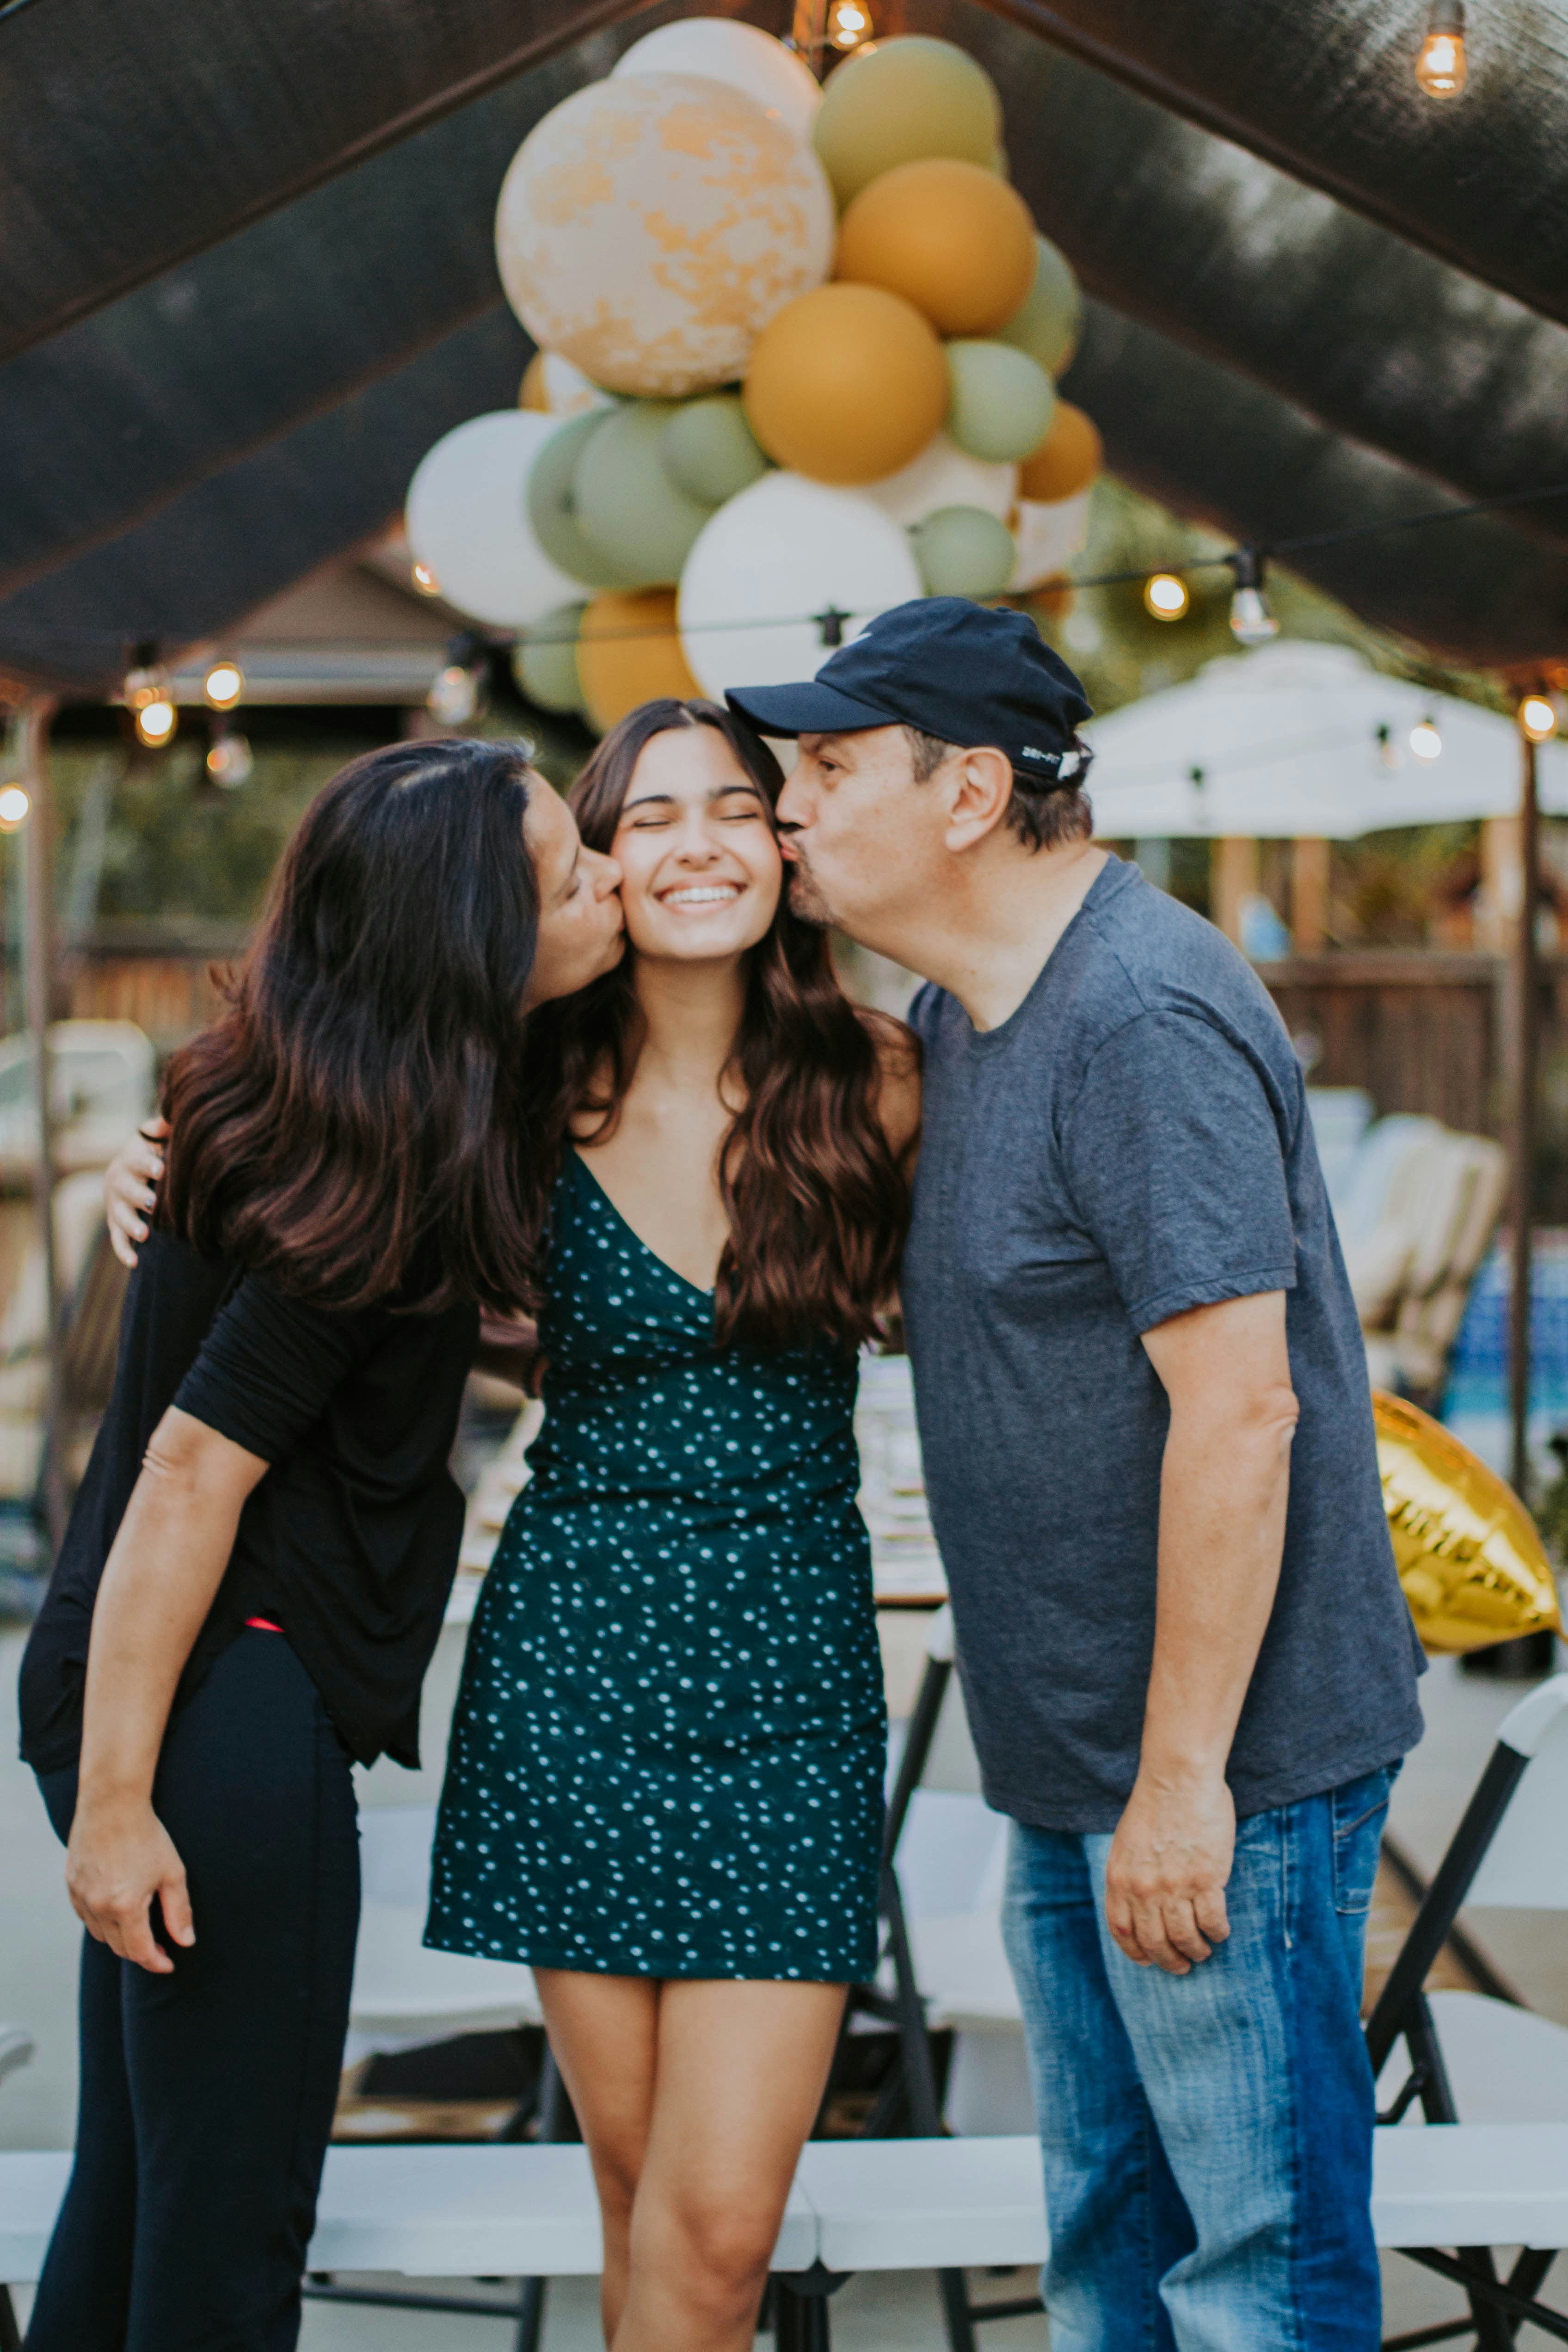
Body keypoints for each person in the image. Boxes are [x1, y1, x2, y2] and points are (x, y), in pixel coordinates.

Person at [728, 599, 1425, 2352]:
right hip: (1076, 1760)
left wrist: (1181, 1780)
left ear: (968, 793)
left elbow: (1241, 1416)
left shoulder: (1134, 1015)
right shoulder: (969, 1014)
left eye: (826, 768)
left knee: (1256, 2279)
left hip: (1218, 1778)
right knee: (1114, 2253)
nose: (785, 805)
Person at [22, 736, 623, 2352]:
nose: (613, 881)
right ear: (478, 944)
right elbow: (192, 1475)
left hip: (157, 1685)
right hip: (225, 1714)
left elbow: (394, 1341)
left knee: (138, 2196)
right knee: (227, 2241)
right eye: (572, 877)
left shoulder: (297, 1090)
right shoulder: (375, 1168)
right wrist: (120, 1806)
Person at [424, 697, 918, 2352]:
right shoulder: (510, 1089)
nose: (695, 844)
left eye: (732, 808)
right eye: (648, 818)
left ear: (784, 847)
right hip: (576, 1673)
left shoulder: (884, 1081)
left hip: (789, 1688)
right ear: (598, 860)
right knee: (634, 2190)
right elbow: (306, 1117)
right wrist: (162, 1158)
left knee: (719, 2234)